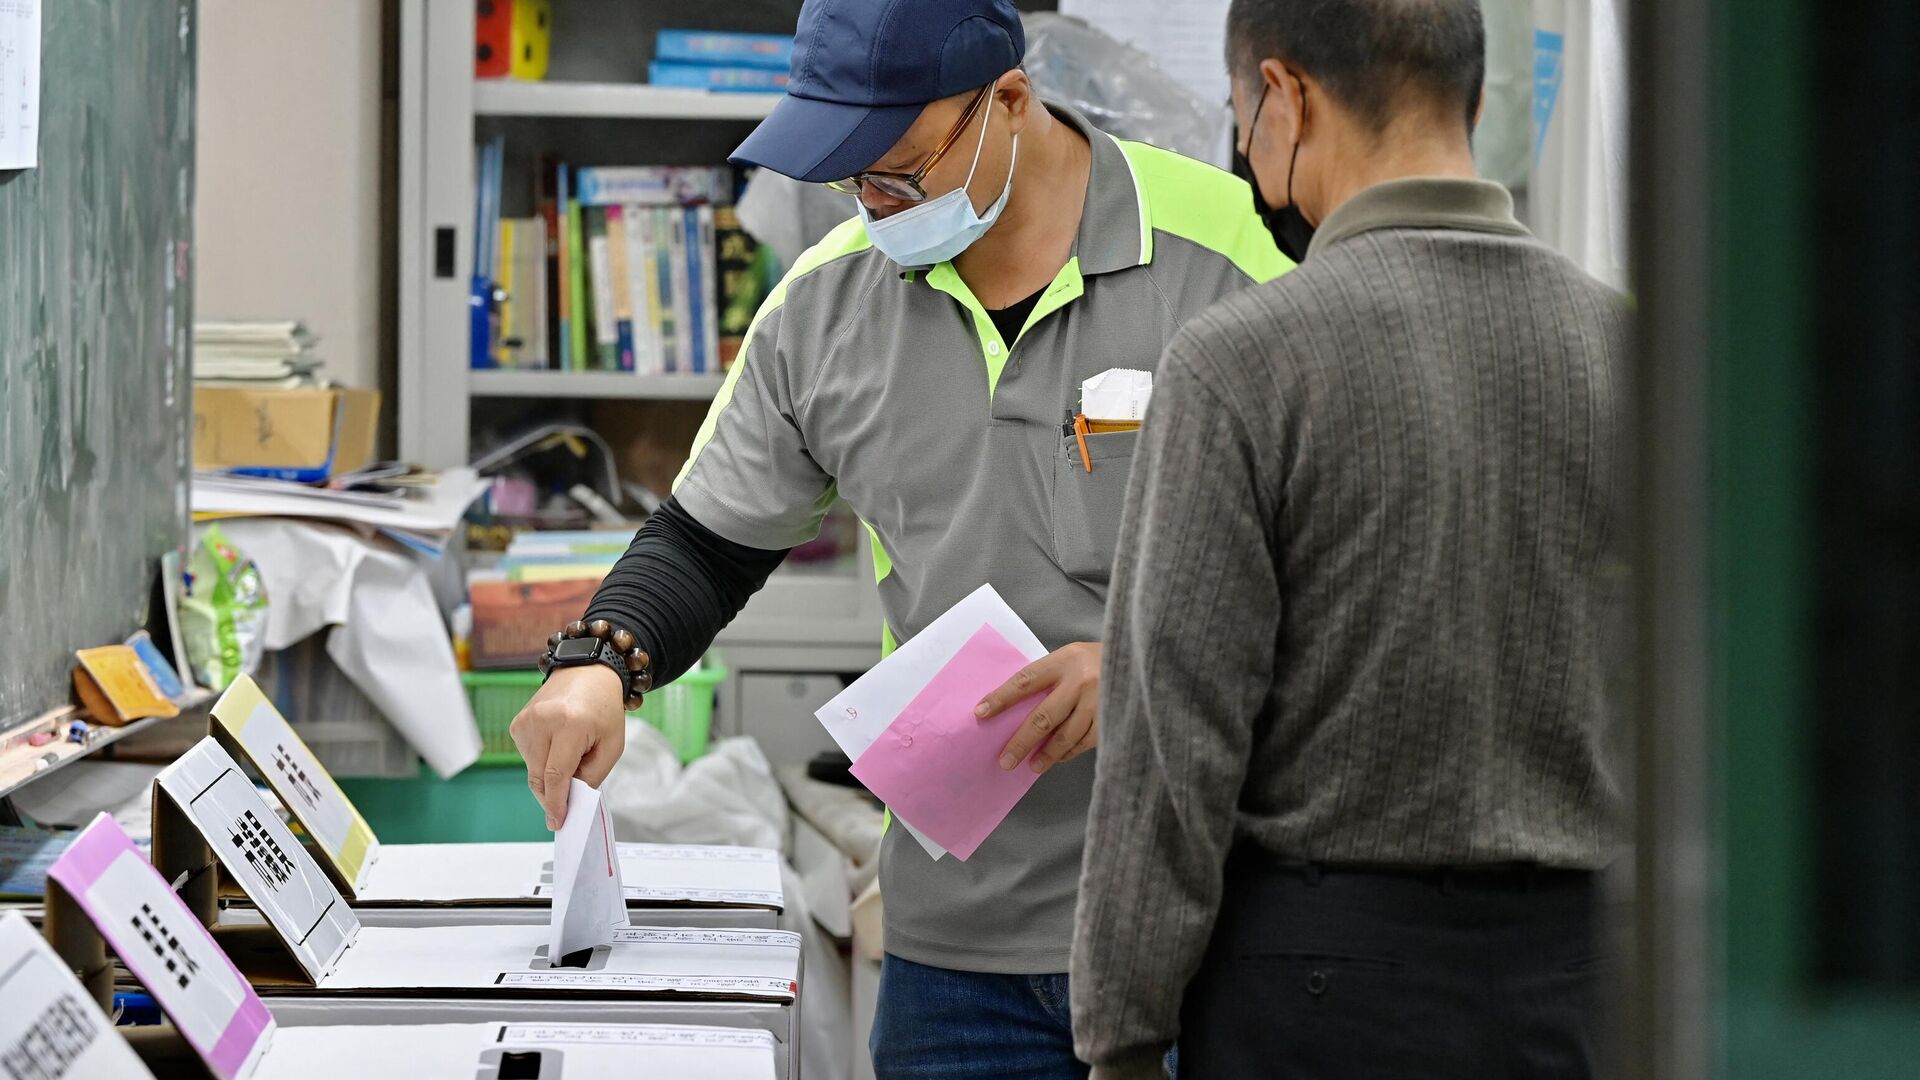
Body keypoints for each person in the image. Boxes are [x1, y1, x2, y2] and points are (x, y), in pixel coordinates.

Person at [508, 0, 1289, 1074]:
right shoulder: (827, 309)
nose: (873, 203)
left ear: (1009, 102)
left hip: (1213, 933)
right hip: (952, 953)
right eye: (848, 177)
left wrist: (1158, 670)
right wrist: (601, 664)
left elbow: (1352, 571)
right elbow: (705, 544)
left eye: (900, 171)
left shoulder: (1228, 256)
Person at [1070, 1, 1629, 1077]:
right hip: (1582, 984)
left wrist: (1122, 1038)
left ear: (1283, 98)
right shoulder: (1627, 350)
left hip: (1319, 990)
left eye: (1241, 114)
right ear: (1469, 96)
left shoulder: (1242, 364)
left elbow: (1171, 747)